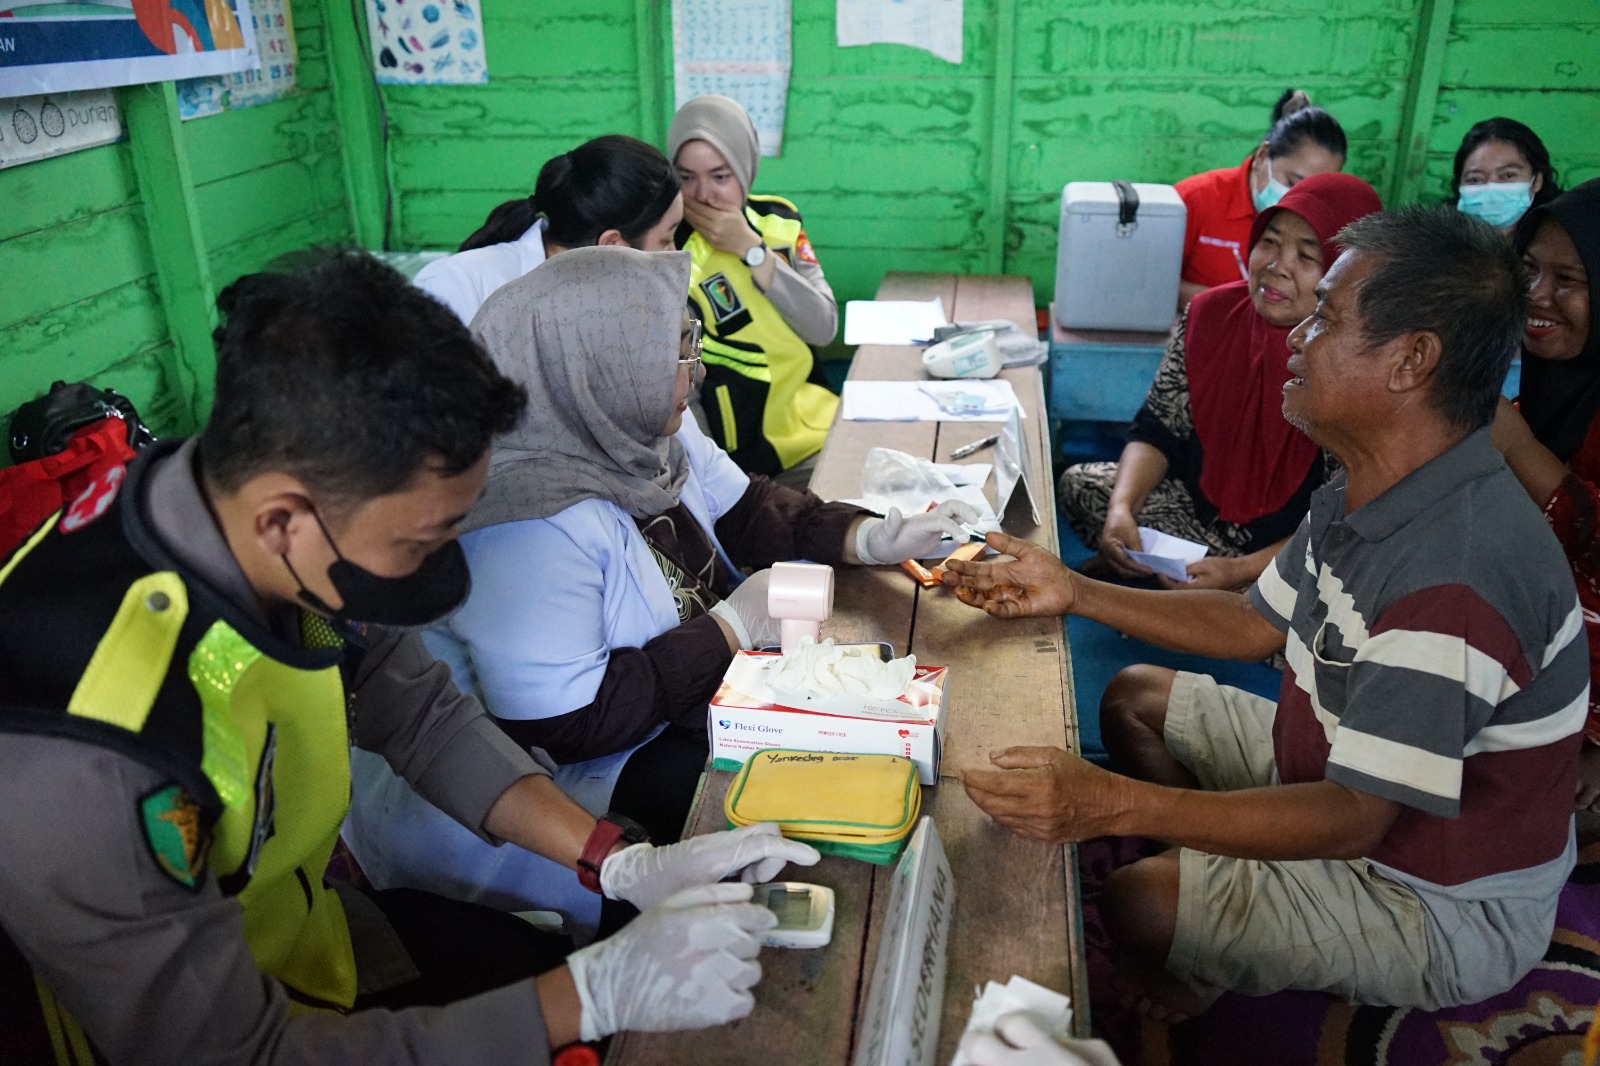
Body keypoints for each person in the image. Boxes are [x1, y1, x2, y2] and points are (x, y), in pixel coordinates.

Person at [0, 249, 821, 1064]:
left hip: (318, 939)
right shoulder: (90, 758)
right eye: (418, 542)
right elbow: (243, 1055)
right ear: (285, 520)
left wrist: (618, 860)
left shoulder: (251, 514)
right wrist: (589, 995)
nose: (438, 573)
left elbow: (420, 713)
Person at [944, 207, 1587, 1018]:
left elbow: (1357, 816)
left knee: (1138, 904)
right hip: (1338, 771)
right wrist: (1075, 591)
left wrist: (1114, 804)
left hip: (1437, 895)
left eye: (1326, 317)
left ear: (1411, 360)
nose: (1294, 334)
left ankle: (1198, 954)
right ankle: (1228, 885)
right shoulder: (1375, 481)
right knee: (1135, 698)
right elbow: (1252, 622)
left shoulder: (1455, 580)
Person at [344, 246, 976, 937]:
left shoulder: (641, 436)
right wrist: (733, 626)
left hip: (656, 717)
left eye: (690, 342)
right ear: (599, 367)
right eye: (676, 352)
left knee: (845, 755)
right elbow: (569, 727)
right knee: (780, 803)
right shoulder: (526, 518)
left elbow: (750, 510)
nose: (695, 370)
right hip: (554, 783)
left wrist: (871, 538)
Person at [1058, 172, 1382, 590]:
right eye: (1269, 241)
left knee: (1335, 588)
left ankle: (1189, 591)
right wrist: (1122, 510)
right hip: (1201, 515)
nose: (1277, 266)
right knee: (1084, 487)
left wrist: (1241, 571)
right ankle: (1181, 588)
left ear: (1345, 270)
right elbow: (1159, 427)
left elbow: (1342, 515)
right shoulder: (1210, 314)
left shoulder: (1358, 360)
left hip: (1290, 547)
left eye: (1306, 255)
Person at [1491, 177, 1600, 809]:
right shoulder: (1536, 396)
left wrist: (1517, 448)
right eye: (1528, 271)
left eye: (1569, 280)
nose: (1538, 296)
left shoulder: (1514, 422)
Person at [669, 94, 840, 485]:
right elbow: (683, 393)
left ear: (746, 170)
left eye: (720, 176)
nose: (703, 195)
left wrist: (753, 251)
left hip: (820, 424)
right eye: (685, 178)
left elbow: (823, 326)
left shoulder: (779, 222)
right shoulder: (669, 251)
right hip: (749, 460)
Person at [413, 134, 683, 325]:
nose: (674, 254)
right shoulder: (456, 286)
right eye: (667, 239)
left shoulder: (634, 304)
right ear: (612, 246)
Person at [1174, 89, 1347, 306]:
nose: (1298, 198)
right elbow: (1152, 284)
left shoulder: (1328, 225)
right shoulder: (1195, 199)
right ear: (1263, 156)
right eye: (1292, 182)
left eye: (1314, 191)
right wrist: (1240, 307)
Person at [1452, 117, 1561, 232]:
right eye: (1475, 179)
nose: (1492, 188)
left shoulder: (1563, 242)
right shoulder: (1439, 244)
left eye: (1508, 175)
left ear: (1537, 181)